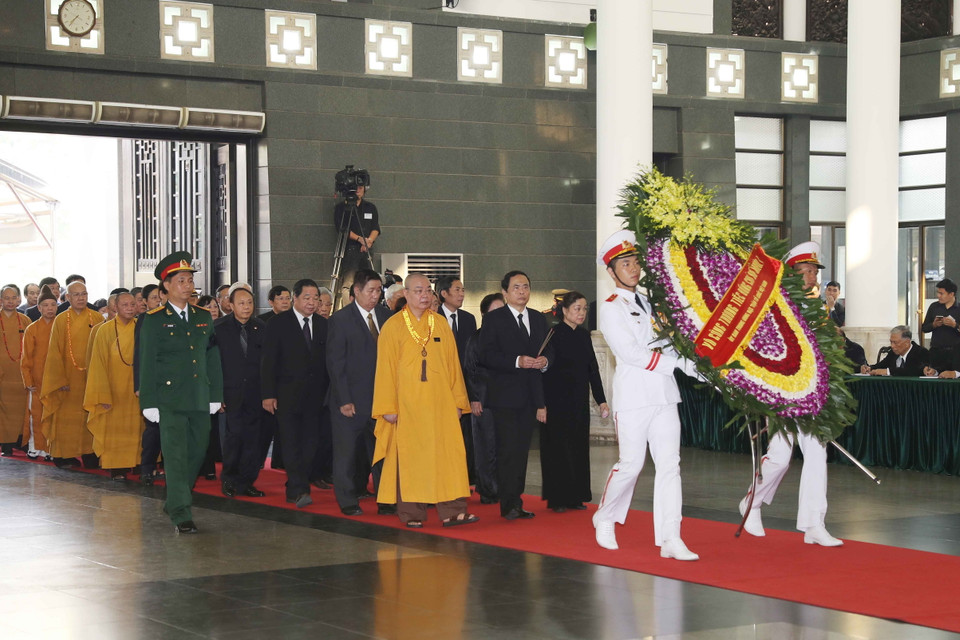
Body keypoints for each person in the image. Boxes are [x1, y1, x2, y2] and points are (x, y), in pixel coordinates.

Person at [591, 230, 699, 560]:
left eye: (635, 261)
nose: (633, 268)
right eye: (625, 263)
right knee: (631, 464)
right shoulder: (611, 309)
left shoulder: (650, 303)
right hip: (635, 397)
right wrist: (679, 364)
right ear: (611, 272)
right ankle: (605, 517)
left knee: (670, 466)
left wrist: (693, 358)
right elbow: (632, 353)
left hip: (664, 395)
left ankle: (671, 537)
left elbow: (666, 343)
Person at [740, 240, 843, 548]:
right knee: (781, 458)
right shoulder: (779, 306)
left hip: (812, 392)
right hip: (786, 391)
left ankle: (813, 523)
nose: (813, 276)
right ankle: (751, 501)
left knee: (816, 450)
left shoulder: (818, 309)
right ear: (793, 274)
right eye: (807, 271)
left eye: (814, 271)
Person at [371, 273, 478, 528]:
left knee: (448, 457)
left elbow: (453, 365)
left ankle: (454, 511)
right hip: (408, 407)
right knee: (410, 459)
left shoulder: (439, 324)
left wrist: (458, 402)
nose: (424, 295)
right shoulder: (393, 326)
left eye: (427, 291)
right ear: (405, 294)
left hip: (441, 405)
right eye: (418, 291)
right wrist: (388, 407)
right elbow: (384, 370)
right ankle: (412, 514)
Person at [138, 252, 223, 534]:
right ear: (167, 286)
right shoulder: (153, 320)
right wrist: (149, 401)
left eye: (191, 280)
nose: (189, 285)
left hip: (199, 396)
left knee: (197, 452)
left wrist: (216, 395)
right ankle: (180, 511)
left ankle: (175, 497)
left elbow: (212, 357)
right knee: (174, 455)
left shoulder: (202, 317)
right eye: (182, 280)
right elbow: (147, 361)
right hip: (169, 399)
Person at [479, 270, 553, 521]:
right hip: (504, 397)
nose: (522, 292)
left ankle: (516, 501)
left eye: (526, 287)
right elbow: (485, 356)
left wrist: (545, 361)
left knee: (522, 452)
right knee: (507, 451)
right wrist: (517, 361)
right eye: (517, 287)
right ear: (505, 292)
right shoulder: (495, 319)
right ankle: (507, 503)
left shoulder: (538, 318)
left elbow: (549, 349)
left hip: (530, 396)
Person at [326, 269, 392, 515]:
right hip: (350, 400)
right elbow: (336, 363)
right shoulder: (340, 320)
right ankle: (347, 500)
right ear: (357, 291)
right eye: (371, 291)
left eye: (379, 291)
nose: (375, 296)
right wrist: (344, 399)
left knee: (382, 453)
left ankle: (385, 499)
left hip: (381, 400)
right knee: (347, 454)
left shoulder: (387, 317)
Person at [261, 278, 330, 509]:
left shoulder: (323, 324)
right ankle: (299, 490)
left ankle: (296, 484)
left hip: (316, 398)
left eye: (316, 299)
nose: (312, 303)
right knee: (291, 443)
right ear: (295, 298)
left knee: (310, 445)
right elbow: (268, 362)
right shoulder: (278, 324)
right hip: (286, 396)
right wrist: (268, 394)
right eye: (307, 298)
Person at [541, 291, 609, 512]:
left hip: (578, 400)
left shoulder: (584, 336)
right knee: (558, 449)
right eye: (577, 309)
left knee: (578, 447)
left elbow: (593, 370)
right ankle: (558, 499)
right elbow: (542, 371)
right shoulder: (552, 334)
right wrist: (540, 404)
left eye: (584, 309)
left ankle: (576, 496)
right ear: (565, 311)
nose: (581, 313)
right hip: (556, 400)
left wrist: (601, 400)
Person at [40, 280, 103, 468]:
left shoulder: (97, 318)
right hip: (67, 380)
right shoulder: (60, 320)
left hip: (91, 378)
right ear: (67, 298)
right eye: (76, 294)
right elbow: (54, 353)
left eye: (84, 294)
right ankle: (63, 455)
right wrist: (59, 380)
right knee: (66, 419)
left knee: (89, 416)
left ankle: (91, 453)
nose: (81, 298)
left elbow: (103, 350)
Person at [213, 284, 266, 498]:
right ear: (230, 305)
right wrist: (216, 395)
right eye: (241, 303)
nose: (246, 307)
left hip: (256, 393)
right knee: (233, 438)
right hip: (229, 393)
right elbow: (213, 365)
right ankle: (229, 480)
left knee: (253, 439)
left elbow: (268, 363)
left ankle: (247, 482)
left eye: (250, 303)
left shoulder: (261, 328)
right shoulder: (218, 328)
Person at [83, 292, 143, 481]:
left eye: (133, 304)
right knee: (115, 429)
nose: (129, 308)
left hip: (137, 388)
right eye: (125, 305)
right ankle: (117, 467)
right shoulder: (105, 330)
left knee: (139, 427)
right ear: (115, 307)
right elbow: (97, 365)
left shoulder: (142, 328)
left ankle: (140, 463)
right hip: (113, 390)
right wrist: (102, 395)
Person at [436, 275, 478, 484]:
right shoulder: (432, 318)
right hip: (439, 387)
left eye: (463, 290)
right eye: (457, 290)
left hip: (464, 386)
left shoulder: (469, 319)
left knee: (465, 436)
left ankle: (463, 478)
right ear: (444, 294)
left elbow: (472, 357)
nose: (462, 294)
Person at [463, 292, 504, 504]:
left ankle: (502, 487)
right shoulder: (476, 338)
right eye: (495, 311)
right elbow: (469, 370)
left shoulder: (509, 338)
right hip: (483, 402)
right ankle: (487, 489)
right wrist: (474, 398)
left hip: (506, 401)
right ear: (484, 314)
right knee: (485, 447)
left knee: (502, 447)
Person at [20, 285, 58, 460]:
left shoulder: (60, 328)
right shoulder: (32, 329)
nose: (50, 308)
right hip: (36, 381)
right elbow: (26, 358)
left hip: (55, 382)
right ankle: (34, 446)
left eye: (53, 305)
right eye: (46, 305)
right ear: (39, 308)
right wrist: (28, 381)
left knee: (53, 416)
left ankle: (50, 448)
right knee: (36, 415)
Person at [334, 184, 380, 306]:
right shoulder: (342, 208)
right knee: (349, 282)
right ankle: (348, 309)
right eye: (356, 187)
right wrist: (360, 239)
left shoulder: (370, 207)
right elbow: (342, 229)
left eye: (361, 187)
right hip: (350, 248)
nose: (358, 190)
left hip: (367, 249)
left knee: (369, 280)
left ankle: (369, 306)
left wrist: (369, 241)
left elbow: (375, 228)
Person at [0, 285, 30, 456]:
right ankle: (6, 444)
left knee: (22, 409)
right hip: (3, 374)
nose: (10, 301)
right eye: (6, 298)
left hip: (20, 374)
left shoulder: (24, 321)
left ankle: (22, 441)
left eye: (13, 298)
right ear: (1, 300)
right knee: (4, 411)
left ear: (19, 299)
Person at [196, 293, 223, 480]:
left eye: (214, 306)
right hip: (199, 384)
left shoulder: (224, 327)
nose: (213, 309)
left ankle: (211, 466)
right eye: (208, 306)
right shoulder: (197, 328)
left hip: (217, 383)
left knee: (212, 429)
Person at [920, 278, 960, 371]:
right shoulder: (934, 307)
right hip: (936, 351)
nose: (938, 296)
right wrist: (934, 325)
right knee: (934, 377)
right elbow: (924, 328)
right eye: (938, 293)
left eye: (941, 293)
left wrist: (955, 325)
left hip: (955, 352)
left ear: (951, 294)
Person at [862, 325, 930, 376]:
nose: (892, 346)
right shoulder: (893, 353)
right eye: (891, 342)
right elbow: (882, 365)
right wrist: (869, 368)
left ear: (907, 343)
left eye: (895, 342)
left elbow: (915, 370)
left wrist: (888, 371)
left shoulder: (921, 352)